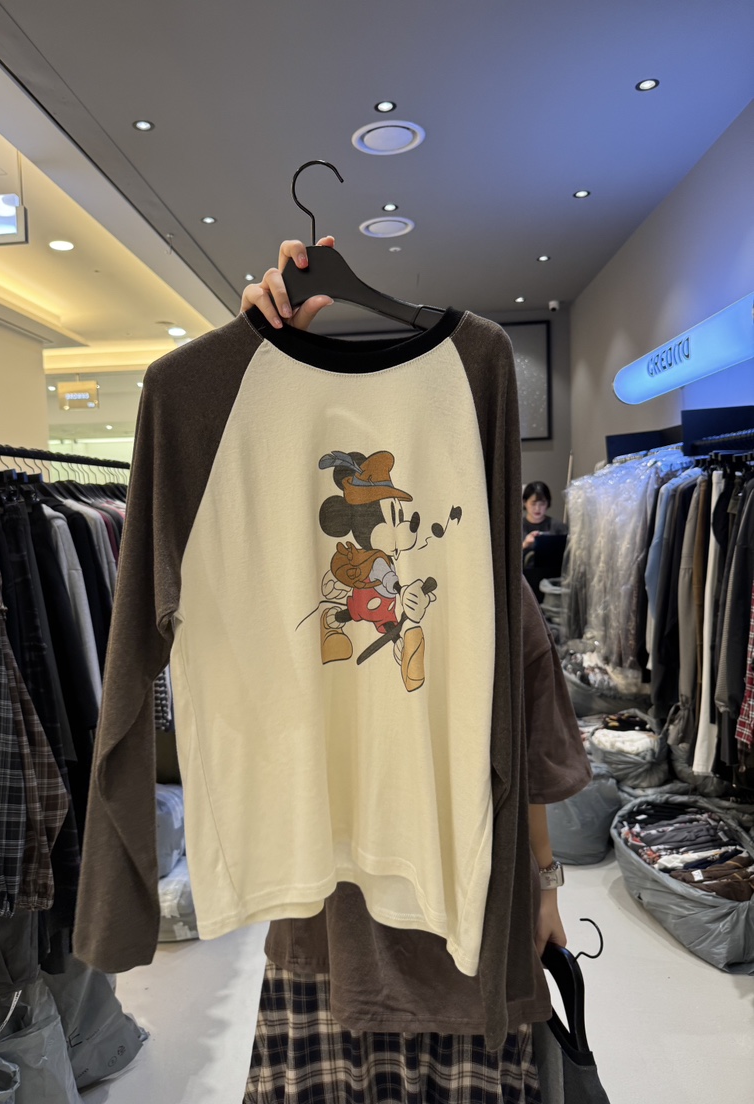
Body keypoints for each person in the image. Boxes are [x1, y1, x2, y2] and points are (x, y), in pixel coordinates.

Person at [239, 239, 591, 1104]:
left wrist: (544, 889)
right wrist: (249, 362)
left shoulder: (488, 584)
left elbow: (532, 760)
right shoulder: (284, 569)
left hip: (428, 926)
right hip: (358, 927)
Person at [522, 481, 567, 553]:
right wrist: (525, 544)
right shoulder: (516, 528)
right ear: (525, 502)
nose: (537, 508)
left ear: (548, 503)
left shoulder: (559, 527)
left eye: (542, 504)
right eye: (533, 504)